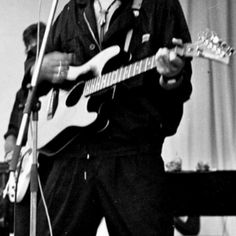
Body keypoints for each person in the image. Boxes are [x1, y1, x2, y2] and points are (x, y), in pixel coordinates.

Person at [24, 0, 192, 235]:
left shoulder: (159, 6)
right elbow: (35, 69)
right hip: (73, 153)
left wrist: (171, 77)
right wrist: (37, 69)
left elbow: (182, 84)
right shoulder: (72, 10)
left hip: (133, 154)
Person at [3, 22, 47, 236]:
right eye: (29, 49)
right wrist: (13, 156)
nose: (32, 54)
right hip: (24, 170)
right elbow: (11, 132)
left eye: (37, 48)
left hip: (49, 164)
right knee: (21, 228)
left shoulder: (53, 88)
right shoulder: (22, 95)